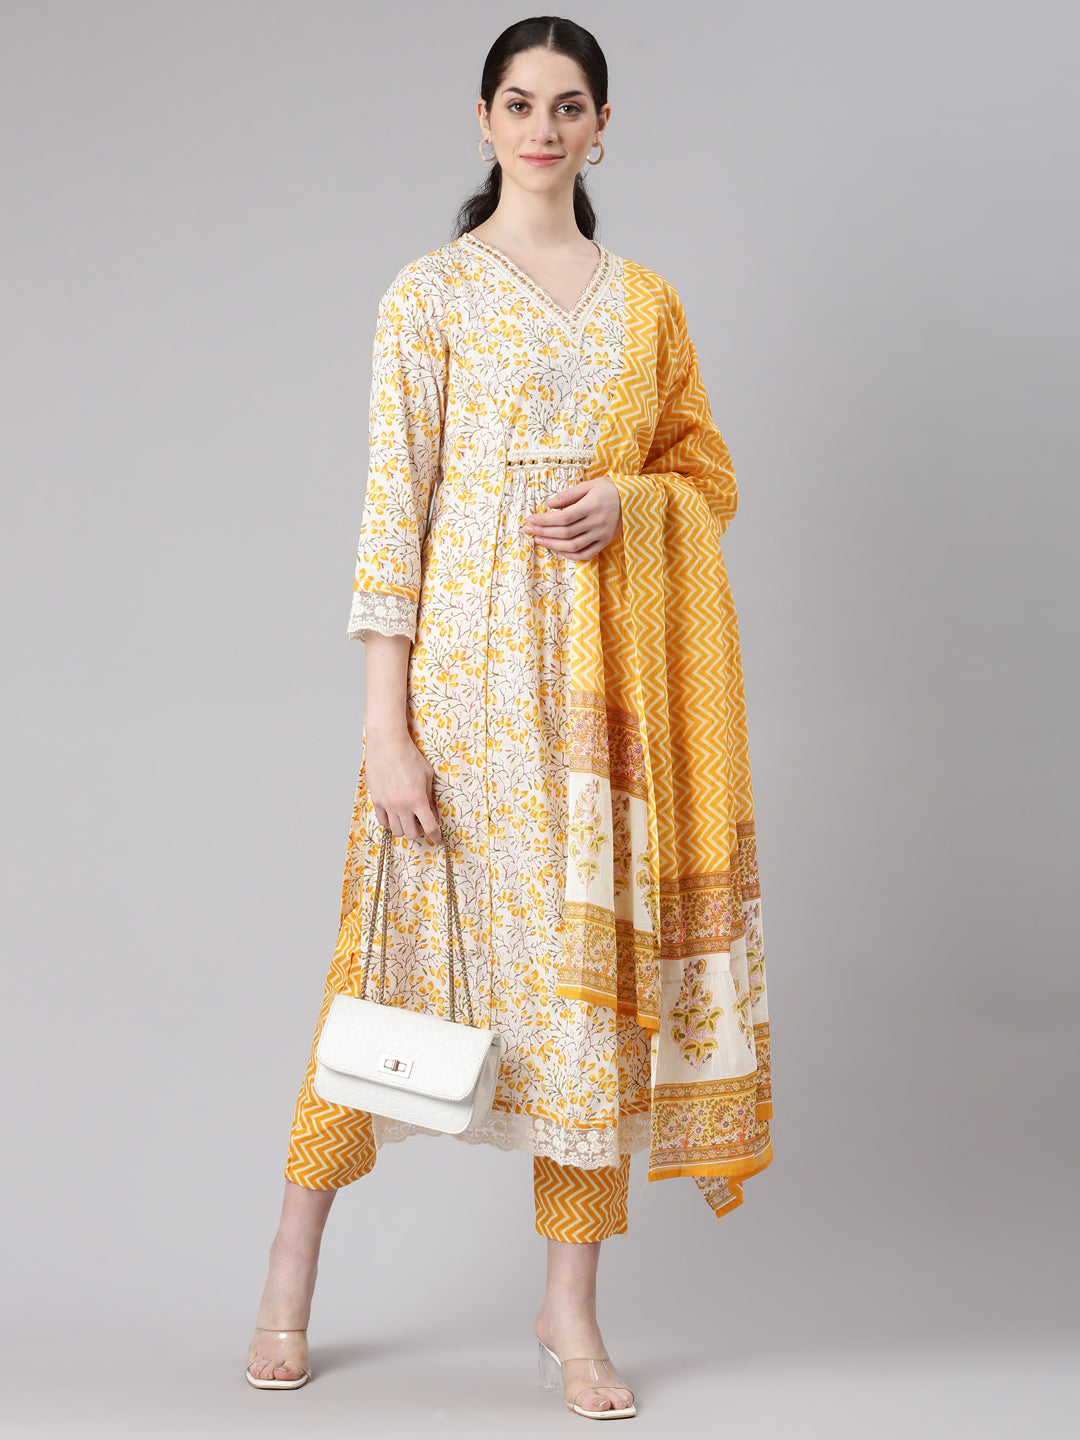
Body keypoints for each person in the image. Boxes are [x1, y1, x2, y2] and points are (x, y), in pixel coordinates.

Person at [244, 14, 773, 1420]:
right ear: (483, 120)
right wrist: (387, 731)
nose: (545, 127)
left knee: (586, 1003)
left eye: (570, 104)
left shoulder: (646, 304)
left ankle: (569, 1312)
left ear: (603, 128)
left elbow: (706, 479)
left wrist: (633, 503)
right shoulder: (428, 293)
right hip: (466, 694)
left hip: (601, 702)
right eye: (521, 103)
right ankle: (290, 1270)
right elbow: (393, 514)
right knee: (387, 973)